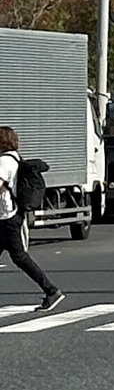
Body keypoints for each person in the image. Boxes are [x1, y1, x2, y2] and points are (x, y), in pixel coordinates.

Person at [0, 127, 62, 312]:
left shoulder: (3, 161)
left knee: (20, 257)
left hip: (7, 217)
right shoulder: (15, 157)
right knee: (19, 257)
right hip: (10, 215)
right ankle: (51, 291)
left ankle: (51, 290)